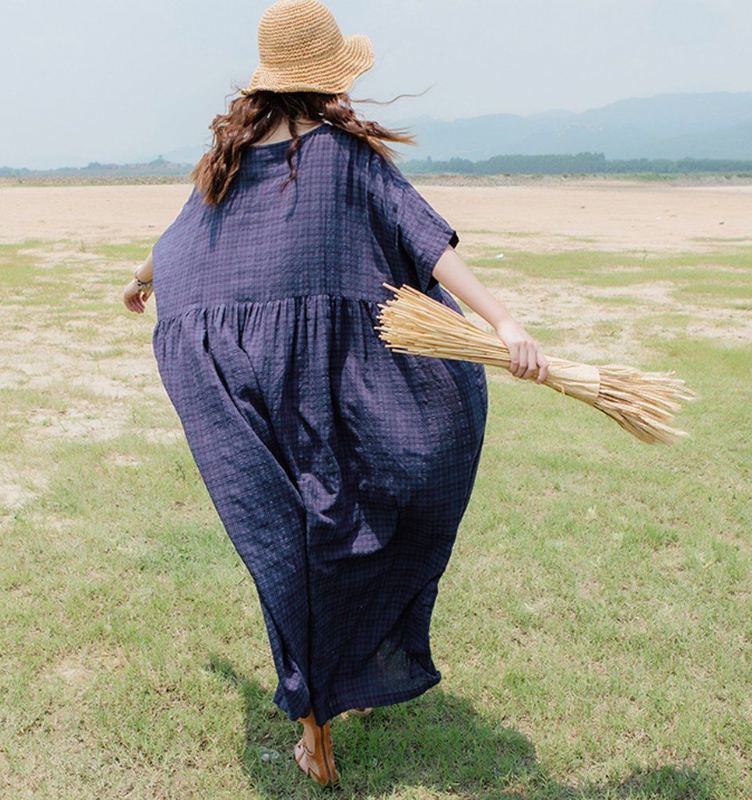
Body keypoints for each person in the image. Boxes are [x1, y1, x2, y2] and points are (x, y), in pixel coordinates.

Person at [122, 0, 548, 787]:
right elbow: (428, 241)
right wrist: (504, 320)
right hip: (346, 387)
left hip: (255, 385)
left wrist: (140, 282)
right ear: (326, 80)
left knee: (294, 546)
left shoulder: (231, 157)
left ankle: (314, 720)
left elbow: (180, 240)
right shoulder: (349, 159)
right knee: (359, 524)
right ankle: (335, 690)